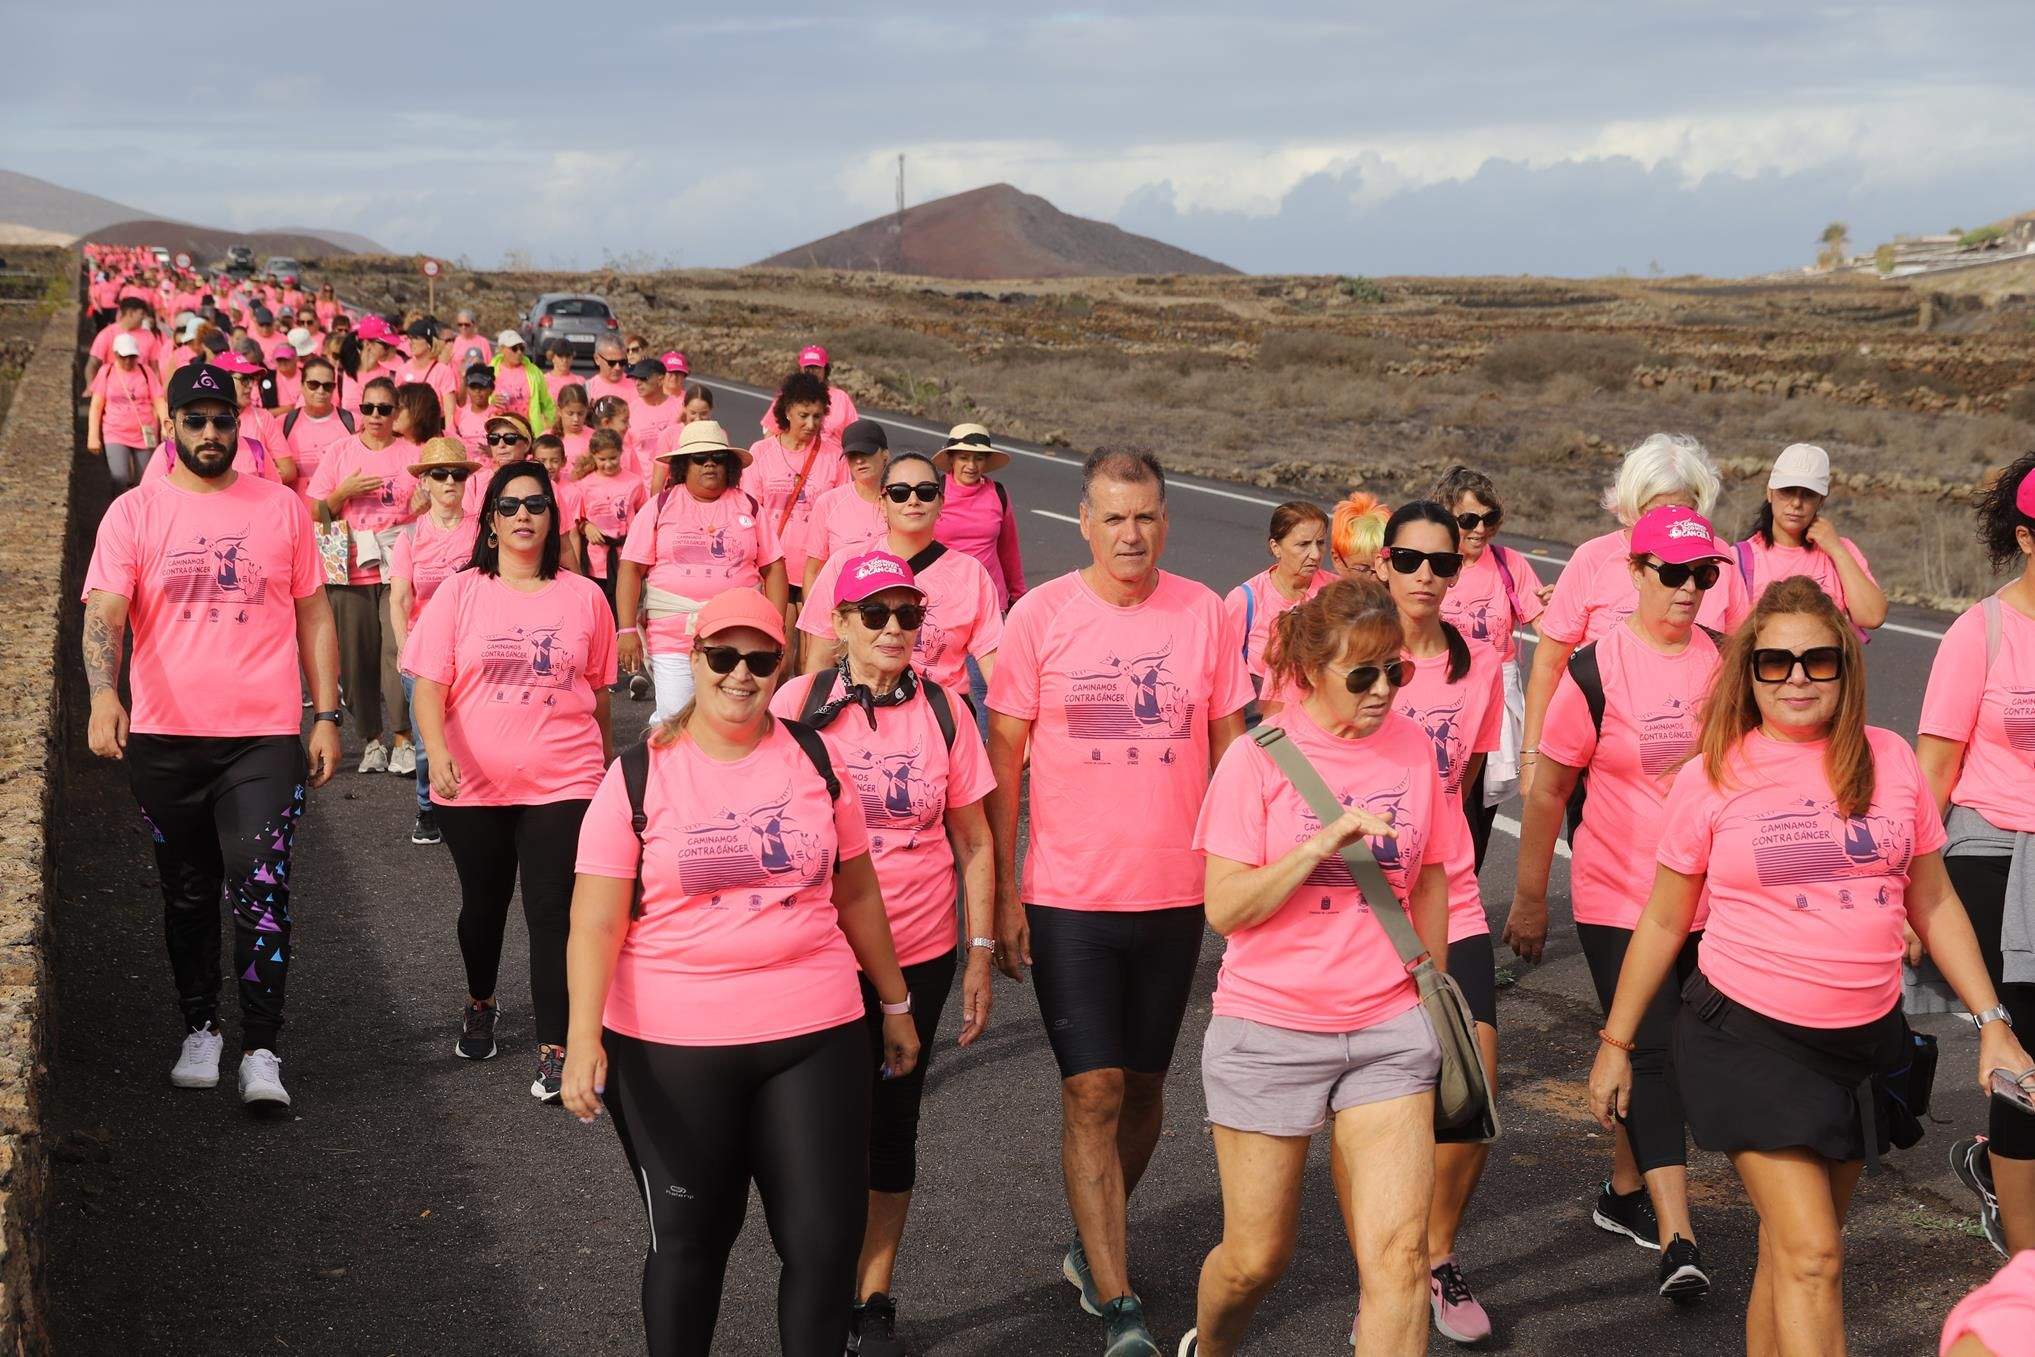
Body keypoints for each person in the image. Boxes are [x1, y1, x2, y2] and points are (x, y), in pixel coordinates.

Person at [1589, 575, 2031, 1357]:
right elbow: (1662, 917)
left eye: (1816, 660)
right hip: (1746, 1038)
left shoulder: (1888, 760)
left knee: (1788, 1254)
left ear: (1843, 668)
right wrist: (1617, 1042)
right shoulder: (1714, 773)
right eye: (1775, 662)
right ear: (1749, 672)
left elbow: (1932, 900)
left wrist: (1991, 1022)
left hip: (1861, 1043)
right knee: (1816, 1256)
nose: (1796, 676)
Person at [560, 588, 921, 1357]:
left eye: (759, 659)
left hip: (816, 1031)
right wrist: (581, 1035)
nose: (740, 673)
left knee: (825, 1244)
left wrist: (894, 1001)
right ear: (692, 658)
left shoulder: (815, 758)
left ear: (780, 663)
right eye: (722, 656)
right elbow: (593, 920)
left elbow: (856, 889)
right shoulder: (635, 775)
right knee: (692, 1242)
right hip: (671, 1045)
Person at [986, 448, 1252, 1356]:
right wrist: (1001, 898)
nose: (1130, 534)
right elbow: (1004, 765)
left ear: (1163, 522)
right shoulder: (1039, 617)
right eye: (1113, 517)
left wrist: (1244, 880)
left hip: (1174, 894)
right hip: (1068, 894)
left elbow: (1233, 756)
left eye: (1145, 517)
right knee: (1091, 1087)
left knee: (1143, 1088)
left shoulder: (1205, 615)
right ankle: (1117, 1296)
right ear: (1084, 522)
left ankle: (1088, 1237)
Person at [1179, 575, 1455, 1357]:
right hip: (1269, 1027)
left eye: (1394, 671)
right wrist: (1314, 845)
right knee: (1256, 1258)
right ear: (1309, 673)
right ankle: (1211, 1347)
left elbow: (1430, 871)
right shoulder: (1256, 758)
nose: (1381, 691)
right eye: (1360, 675)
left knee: (1399, 1261)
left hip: (1387, 1031)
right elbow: (1225, 908)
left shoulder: (1413, 749)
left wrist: (1427, 985)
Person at [81, 362, 342, 1110]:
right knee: (188, 893)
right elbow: (103, 611)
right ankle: (201, 1027)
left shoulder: (281, 508)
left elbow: (314, 614)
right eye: (193, 419)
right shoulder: (134, 512)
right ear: (171, 427)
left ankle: (262, 1048)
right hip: (166, 736)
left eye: (220, 419)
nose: (208, 432)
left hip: (260, 736)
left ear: (239, 424)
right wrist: (104, 694)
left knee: (260, 883)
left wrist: (325, 713)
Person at [771, 549, 998, 1355]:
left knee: (891, 1124)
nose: (896, 628)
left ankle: (872, 1296)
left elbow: (973, 839)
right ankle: (819, 1280)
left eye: (908, 613)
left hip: (922, 950)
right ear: (838, 623)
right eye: (877, 614)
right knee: (818, 1127)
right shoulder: (799, 700)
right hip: (820, 954)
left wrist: (978, 950)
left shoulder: (945, 710)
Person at [1507, 504, 1728, 1302]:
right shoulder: (1596, 670)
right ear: (1634, 572)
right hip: (1618, 894)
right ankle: (1677, 1237)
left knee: (1694, 1054)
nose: (1687, 589)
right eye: (1671, 573)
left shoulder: (1729, 661)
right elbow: (1548, 794)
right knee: (1651, 1050)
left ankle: (1621, 1190)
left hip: (1711, 898)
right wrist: (1531, 897)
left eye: (1702, 574)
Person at [407, 459, 615, 1103]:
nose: (524, 514)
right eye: (509, 505)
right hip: (472, 782)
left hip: (564, 779)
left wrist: (600, 773)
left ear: (553, 519)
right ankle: (481, 999)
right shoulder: (460, 591)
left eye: (536, 504)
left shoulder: (584, 596)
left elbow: (600, 695)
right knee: (483, 907)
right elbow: (429, 686)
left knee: (553, 912)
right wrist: (435, 751)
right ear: (491, 523)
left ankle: (557, 1045)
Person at [1370, 503, 1503, 1343]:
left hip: (1448, 889)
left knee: (1473, 1087)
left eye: (1442, 562)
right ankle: (1380, 1265)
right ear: (1382, 563)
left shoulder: (1479, 662)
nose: (1426, 574)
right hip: (1359, 900)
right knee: (1385, 1101)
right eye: (1410, 559)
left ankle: (1433, 1252)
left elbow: (1470, 783)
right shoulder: (1347, 651)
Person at [1920, 452, 2035, 1255]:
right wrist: (1902, 888)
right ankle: (2026, 1267)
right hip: (1993, 852)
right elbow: (1929, 770)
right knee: (2024, 1043)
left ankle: (1997, 1165)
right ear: (2025, 537)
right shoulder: (1981, 630)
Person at [1524, 433, 1749, 797]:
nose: (1669, 523)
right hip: (1601, 759)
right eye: (1656, 511)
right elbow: (1549, 664)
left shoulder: (1721, 561)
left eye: (1682, 511)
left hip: (1697, 763)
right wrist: (1532, 757)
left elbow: (1744, 658)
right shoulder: (1593, 559)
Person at [617, 420, 789, 722]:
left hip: (738, 634)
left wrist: (774, 629)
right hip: (673, 634)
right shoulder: (660, 506)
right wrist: (627, 630)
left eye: (717, 458)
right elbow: (631, 568)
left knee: (731, 716)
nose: (709, 464)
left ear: (729, 465)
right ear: (684, 465)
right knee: (675, 717)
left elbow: (773, 568)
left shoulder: (749, 507)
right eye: (700, 458)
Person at [802, 453, 1003, 695]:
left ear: (941, 503)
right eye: (899, 492)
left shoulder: (972, 575)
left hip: (941, 719)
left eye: (926, 492)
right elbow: (819, 660)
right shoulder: (845, 564)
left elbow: (996, 672)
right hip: (858, 715)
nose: (913, 500)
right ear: (882, 504)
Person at [1432, 465, 1549, 868]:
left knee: (1480, 809)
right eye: (1469, 520)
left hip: (1495, 704)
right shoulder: (1430, 565)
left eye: (1490, 518)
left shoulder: (1508, 564)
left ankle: (1463, 900)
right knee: (1446, 807)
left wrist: (1572, 603)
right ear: (1446, 516)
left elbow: (1548, 627)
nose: (1480, 529)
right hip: (1442, 701)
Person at [306, 376, 423, 775]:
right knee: (356, 659)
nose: (375, 416)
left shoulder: (412, 454)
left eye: (384, 409)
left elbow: (426, 511)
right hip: (349, 565)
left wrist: (421, 508)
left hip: (397, 565)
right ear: (359, 411)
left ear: (396, 413)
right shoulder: (340, 452)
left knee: (397, 651)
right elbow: (314, 511)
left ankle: (404, 738)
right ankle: (372, 739)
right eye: (368, 408)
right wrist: (344, 491)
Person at [387, 438, 481, 847]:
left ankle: (473, 803)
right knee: (427, 740)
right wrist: (404, 647)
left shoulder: (481, 531)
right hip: (426, 652)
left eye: (457, 475)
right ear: (424, 482)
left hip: (473, 647)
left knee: (475, 730)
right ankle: (428, 808)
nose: (449, 482)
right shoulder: (410, 534)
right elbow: (400, 598)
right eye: (440, 475)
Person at [932, 422, 1027, 734]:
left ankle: (990, 761)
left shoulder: (997, 494)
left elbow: (1009, 548)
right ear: (952, 459)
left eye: (978, 459)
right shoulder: (935, 492)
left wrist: (1017, 597)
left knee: (988, 687)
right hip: (941, 606)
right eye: (964, 457)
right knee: (941, 683)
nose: (971, 466)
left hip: (989, 603)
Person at [1735, 444, 1886, 634]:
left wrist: (1836, 550)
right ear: (1770, 492)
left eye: (1808, 494)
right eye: (1787, 491)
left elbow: (1872, 616)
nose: (1796, 503)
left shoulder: (1840, 551)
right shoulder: (1740, 559)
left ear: (1821, 500)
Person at [749, 370, 847, 604]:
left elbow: (841, 515)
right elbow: (750, 513)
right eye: (804, 415)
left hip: (816, 570)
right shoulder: (760, 452)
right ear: (787, 411)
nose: (811, 424)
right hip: (770, 567)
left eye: (817, 416)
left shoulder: (835, 456)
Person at [1225, 501, 1334, 689]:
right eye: (1304, 544)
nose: (1315, 554)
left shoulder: (1337, 592)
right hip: (1262, 713)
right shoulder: (1245, 600)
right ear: (1276, 547)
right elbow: (1223, 671)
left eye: (1320, 543)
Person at [798, 419, 890, 593]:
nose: (859, 461)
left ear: (885, 454)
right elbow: (813, 571)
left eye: (866, 453)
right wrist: (814, 615)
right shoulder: (828, 503)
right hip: (843, 609)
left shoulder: (903, 499)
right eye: (852, 455)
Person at [575, 428, 645, 620]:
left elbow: (643, 515)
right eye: (602, 459)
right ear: (594, 457)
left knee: (623, 611)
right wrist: (586, 527)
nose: (608, 464)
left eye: (613, 458)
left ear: (621, 453)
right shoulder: (584, 485)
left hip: (625, 556)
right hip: (597, 559)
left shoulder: (634, 483)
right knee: (598, 611)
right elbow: (577, 519)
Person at [86, 331, 167, 492]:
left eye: (132, 356)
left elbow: (158, 399)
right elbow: (96, 405)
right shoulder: (106, 372)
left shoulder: (146, 372)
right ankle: (119, 509)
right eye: (124, 357)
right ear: (115, 354)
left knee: (144, 479)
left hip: (144, 432)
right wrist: (93, 436)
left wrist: (165, 424)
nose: (128, 361)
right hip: (115, 432)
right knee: (119, 477)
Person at [279, 355, 355, 514]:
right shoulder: (283, 423)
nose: (321, 391)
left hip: (338, 521)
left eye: (327, 386)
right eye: (313, 384)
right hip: (296, 516)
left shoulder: (353, 422)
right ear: (301, 386)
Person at [761, 343, 859, 445]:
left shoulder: (841, 398)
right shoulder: (789, 395)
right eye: (808, 368)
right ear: (800, 369)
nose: (812, 372)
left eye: (816, 367)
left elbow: (856, 435)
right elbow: (770, 435)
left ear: (825, 370)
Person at [530, 432, 587, 573]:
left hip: (560, 557)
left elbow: (573, 534)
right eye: (542, 461)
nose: (548, 466)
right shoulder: (528, 488)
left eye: (554, 460)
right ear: (532, 460)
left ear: (564, 461)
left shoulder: (572, 493)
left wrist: (576, 570)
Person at [624, 357, 682, 465]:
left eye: (643, 378)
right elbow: (625, 450)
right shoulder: (629, 411)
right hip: (641, 481)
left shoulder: (680, 408)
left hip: (674, 479)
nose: (637, 383)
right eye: (635, 378)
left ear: (660, 380)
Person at [1329, 492, 1391, 574]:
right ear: (1337, 560)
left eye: (1383, 566)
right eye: (1363, 569)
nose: (1377, 578)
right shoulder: (1319, 586)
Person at [585, 337, 633, 404]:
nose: (617, 367)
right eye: (611, 363)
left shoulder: (637, 385)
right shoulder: (587, 390)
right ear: (597, 359)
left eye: (622, 362)